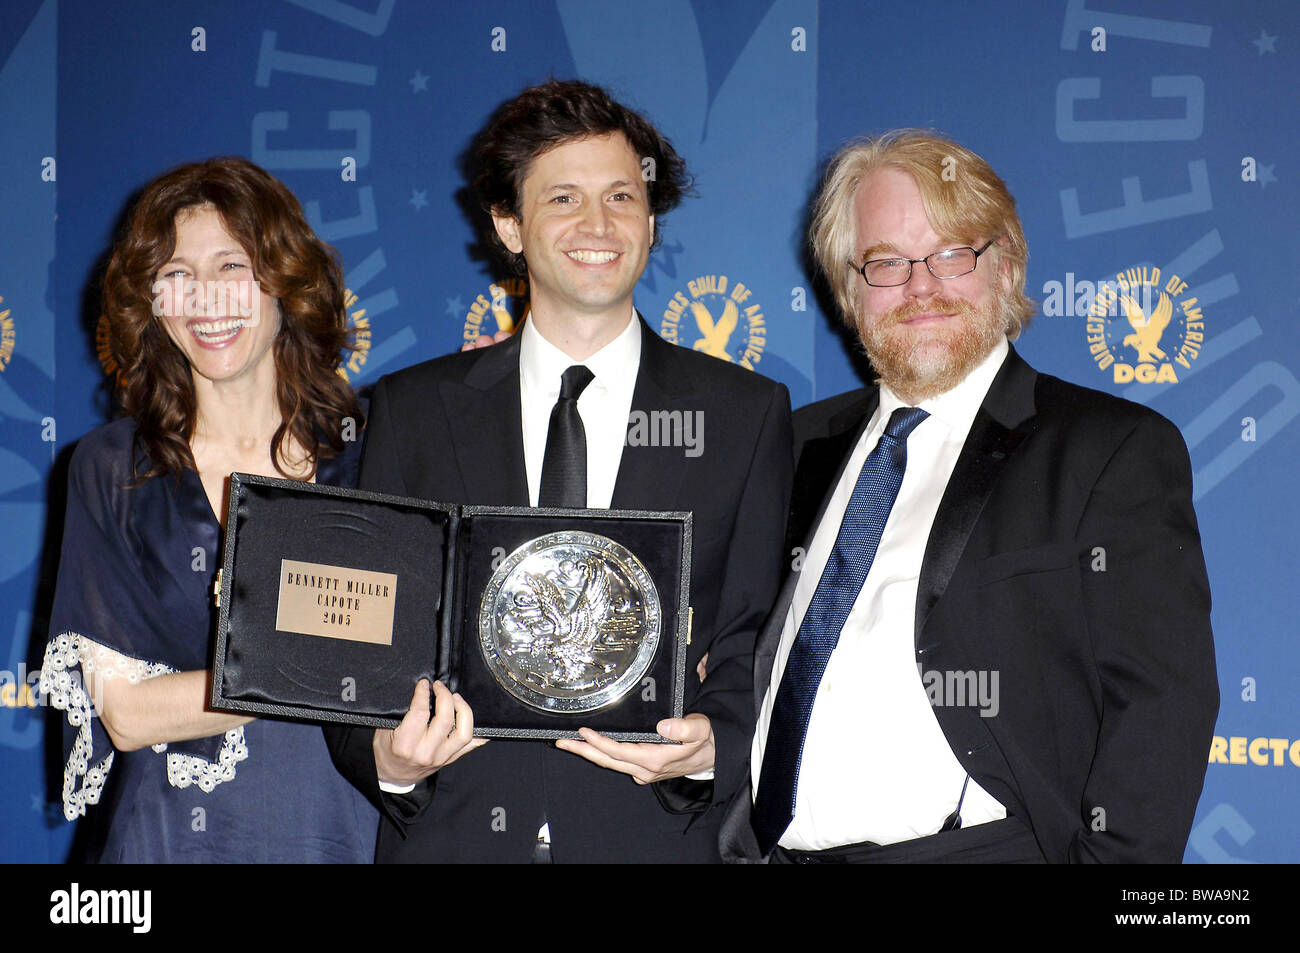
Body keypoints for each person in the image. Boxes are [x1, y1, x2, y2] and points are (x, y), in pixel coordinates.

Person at [324, 79, 793, 863]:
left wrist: (715, 745)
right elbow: (364, 631)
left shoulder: (742, 414)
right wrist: (386, 761)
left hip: (656, 839)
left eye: (621, 195)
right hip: (455, 838)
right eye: (563, 198)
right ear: (508, 225)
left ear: (650, 218)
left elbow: (755, 636)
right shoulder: (414, 408)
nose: (598, 224)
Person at [720, 130, 1218, 863]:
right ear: (848, 291)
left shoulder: (1106, 449)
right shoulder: (788, 446)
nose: (921, 286)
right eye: (886, 262)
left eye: (954, 253)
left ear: (1007, 266)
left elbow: (1161, 709)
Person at [39, 157, 378, 862]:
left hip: (346, 826)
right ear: (152, 303)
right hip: (170, 839)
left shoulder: (374, 448)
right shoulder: (111, 466)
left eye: (232, 266)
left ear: (285, 280)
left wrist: (262, 654)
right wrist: (308, 657)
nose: (207, 300)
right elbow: (128, 714)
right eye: (177, 274)